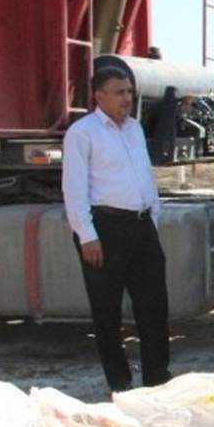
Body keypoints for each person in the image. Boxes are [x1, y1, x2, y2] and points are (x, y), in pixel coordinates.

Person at [62, 66, 171, 393]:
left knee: (154, 306)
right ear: (99, 96)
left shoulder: (134, 129)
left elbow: (144, 176)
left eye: (129, 91)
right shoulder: (83, 133)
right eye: (120, 92)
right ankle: (120, 384)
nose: (127, 98)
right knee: (107, 312)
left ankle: (157, 380)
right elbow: (74, 188)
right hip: (104, 229)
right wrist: (88, 235)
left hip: (141, 228)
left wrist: (152, 217)